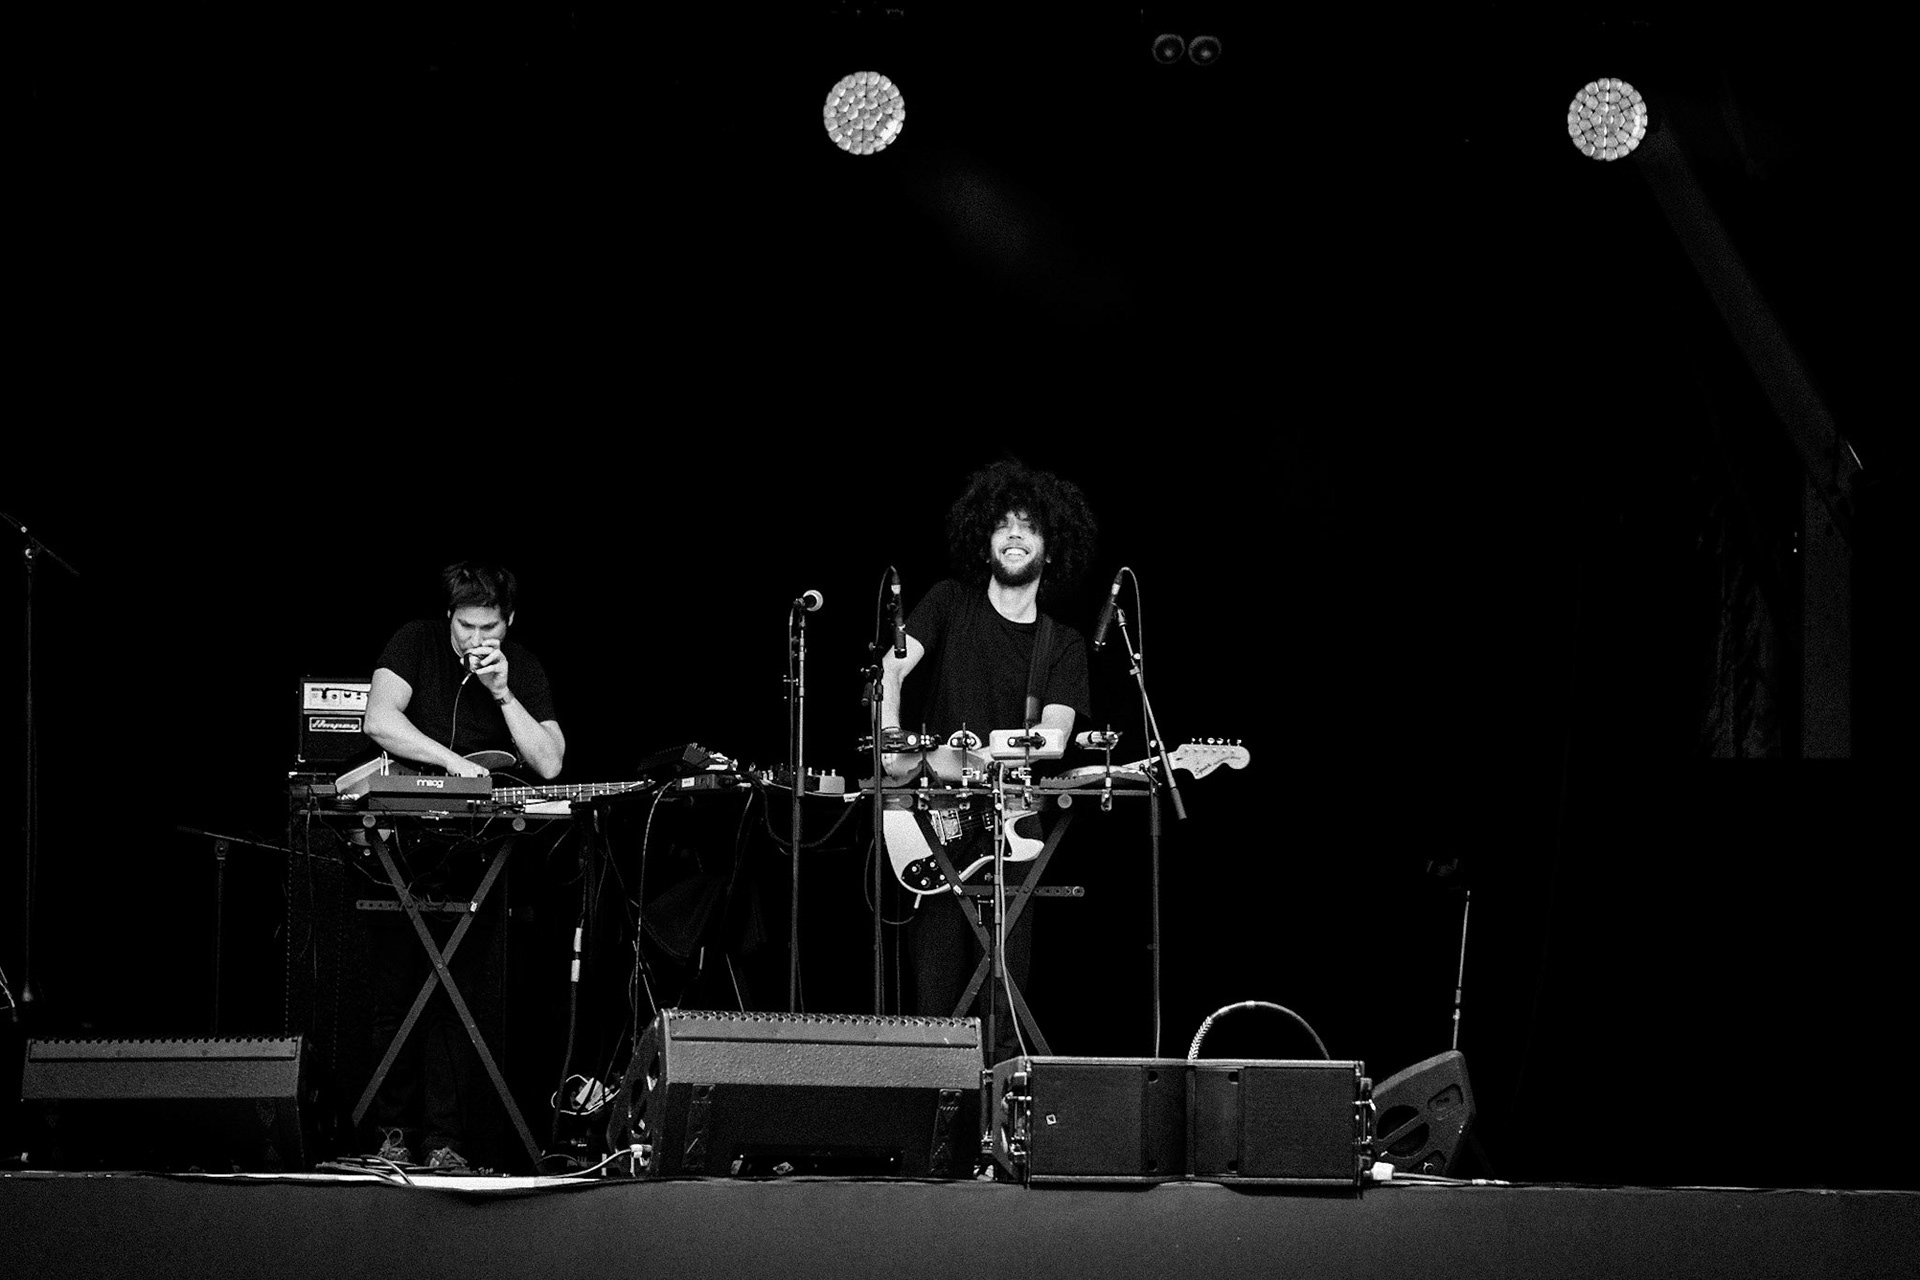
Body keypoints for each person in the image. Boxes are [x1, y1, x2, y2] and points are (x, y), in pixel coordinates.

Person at [880, 460, 1096, 1069]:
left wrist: (974, 751)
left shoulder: (1063, 643)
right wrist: (894, 742)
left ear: (1052, 548)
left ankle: (996, 1145)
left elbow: (1052, 740)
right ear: (986, 539)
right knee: (933, 1000)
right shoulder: (950, 603)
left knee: (1002, 1003)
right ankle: (931, 1137)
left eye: (1029, 525)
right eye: (1003, 524)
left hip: (1011, 836)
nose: (1015, 534)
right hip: (937, 829)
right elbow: (892, 667)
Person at [357, 561, 566, 1172]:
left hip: (480, 849)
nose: (477, 639)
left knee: (460, 996)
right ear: (448, 616)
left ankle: (445, 1143)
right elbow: (380, 720)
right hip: (405, 845)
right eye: (466, 626)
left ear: (509, 621)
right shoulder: (414, 642)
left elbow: (549, 763)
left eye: (490, 627)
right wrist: (453, 764)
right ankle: (390, 1135)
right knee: (398, 989)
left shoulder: (520, 666)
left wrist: (504, 692)